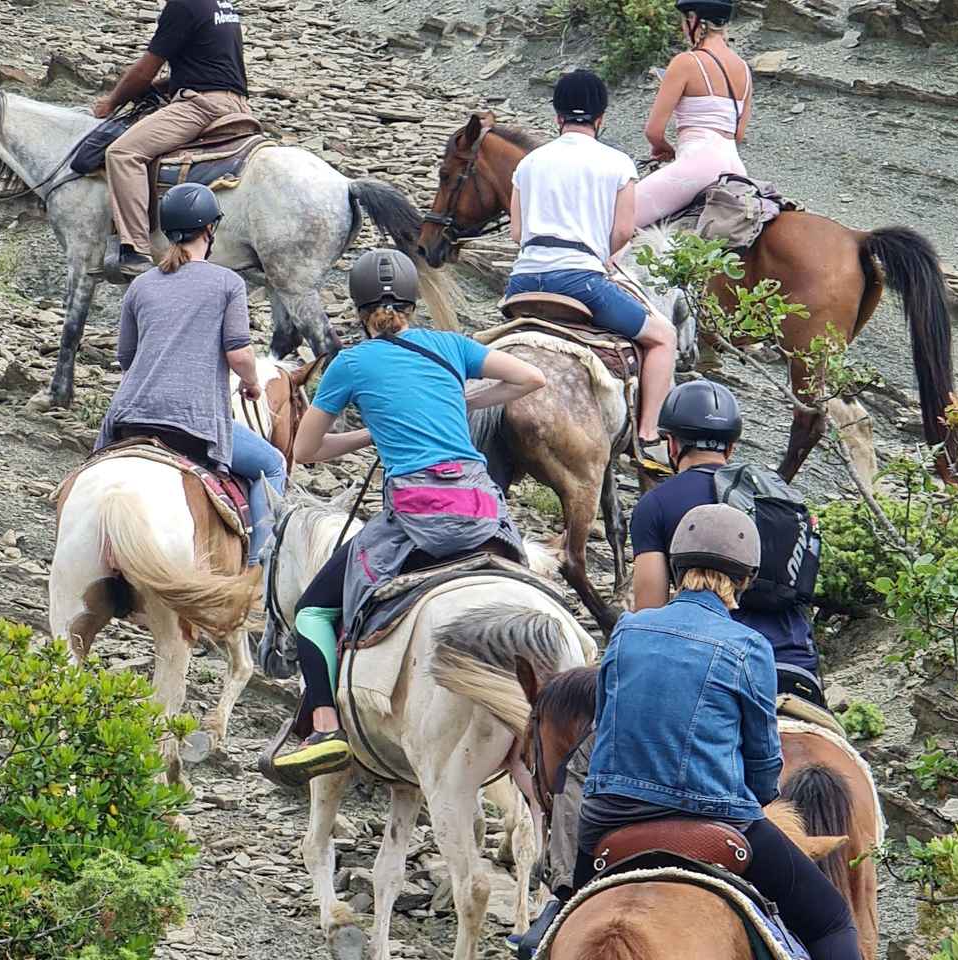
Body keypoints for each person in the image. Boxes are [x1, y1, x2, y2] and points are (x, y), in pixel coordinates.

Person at [271, 249, 548, 781]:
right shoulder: (451, 347)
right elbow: (530, 379)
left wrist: (367, 433)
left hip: (417, 514)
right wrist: (465, 399)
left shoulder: (350, 363)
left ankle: (326, 726)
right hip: (481, 507)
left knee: (311, 612)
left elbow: (306, 450)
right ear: (413, 305)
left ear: (358, 310)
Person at [578, 503, 861, 960]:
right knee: (831, 921)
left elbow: (602, 727)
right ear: (745, 579)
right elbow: (765, 769)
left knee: (557, 913)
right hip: (717, 815)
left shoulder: (627, 631)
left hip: (609, 816)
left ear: (676, 568)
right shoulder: (748, 646)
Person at [94, 183, 284, 566]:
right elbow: (240, 353)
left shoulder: (141, 285)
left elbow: (127, 360)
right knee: (273, 464)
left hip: (129, 415)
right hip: (191, 419)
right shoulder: (228, 283)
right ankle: (259, 569)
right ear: (209, 229)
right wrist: (251, 384)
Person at [506, 69, 676, 471]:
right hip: (581, 281)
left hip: (523, 281)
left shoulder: (529, 163)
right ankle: (648, 436)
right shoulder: (617, 163)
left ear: (557, 116)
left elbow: (517, 232)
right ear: (601, 118)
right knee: (664, 338)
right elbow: (621, 231)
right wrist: (603, 256)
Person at [629, 379, 825, 704]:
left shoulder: (656, 505)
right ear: (731, 448)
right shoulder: (777, 494)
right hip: (795, 664)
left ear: (672, 444)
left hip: (713, 664)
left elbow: (648, 611)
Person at [91, 0, 250, 278]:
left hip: (201, 106)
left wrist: (111, 102)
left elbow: (145, 69)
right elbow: (210, 65)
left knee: (123, 153)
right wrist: (162, 87)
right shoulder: (222, 6)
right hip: (238, 104)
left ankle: (135, 250)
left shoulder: (182, 5)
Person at [633, 0, 753, 228]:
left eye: (684, 21)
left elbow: (653, 131)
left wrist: (665, 149)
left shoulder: (686, 62)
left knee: (617, 216)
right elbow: (737, 135)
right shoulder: (744, 69)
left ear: (693, 20)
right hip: (736, 170)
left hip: (699, 164)